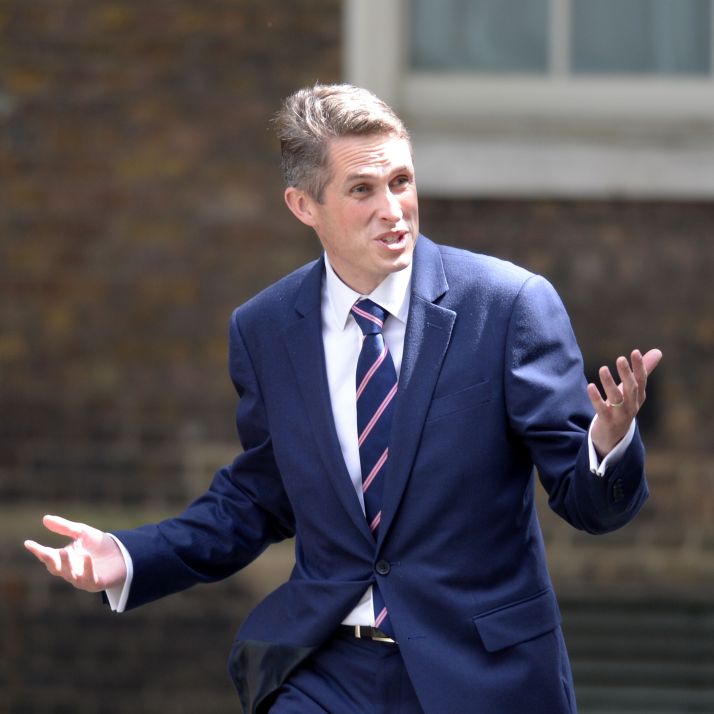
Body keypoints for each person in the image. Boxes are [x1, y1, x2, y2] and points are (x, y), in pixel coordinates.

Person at [25, 83, 662, 714]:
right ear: (304, 205)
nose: (393, 210)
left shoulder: (508, 306)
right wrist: (130, 557)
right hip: (326, 670)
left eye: (401, 182)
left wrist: (608, 443)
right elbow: (258, 498)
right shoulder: (266, 328)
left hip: (479, 673)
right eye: (362, 190)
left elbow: (590, 505)